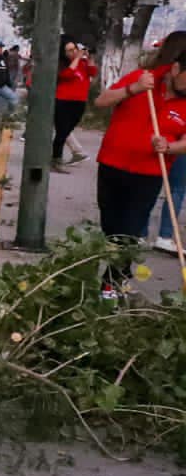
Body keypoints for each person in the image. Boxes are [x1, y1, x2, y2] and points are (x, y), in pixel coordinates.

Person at [92, 45, 186, 297]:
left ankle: (109, 286)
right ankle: (122, 275)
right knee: (111, 228)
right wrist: (132, 89)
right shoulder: (142, 78)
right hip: (112, 163)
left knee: (129, 231)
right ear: (176, 69)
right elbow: (101, 101)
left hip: (149, 173)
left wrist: (170, 146)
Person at [51, 38, 98, 170]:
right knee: (61, 132)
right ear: (64, 53)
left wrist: (90, 58)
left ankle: (70, 155)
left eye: (75, 49)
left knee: (67, 131)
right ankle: (56, 159)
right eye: (69, 51)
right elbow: (67, 75)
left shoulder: (83, 63)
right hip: (63, 101)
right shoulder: (63, 65)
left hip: (79, 102)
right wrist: (77, 58)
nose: (73, 52)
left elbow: (93, 72)